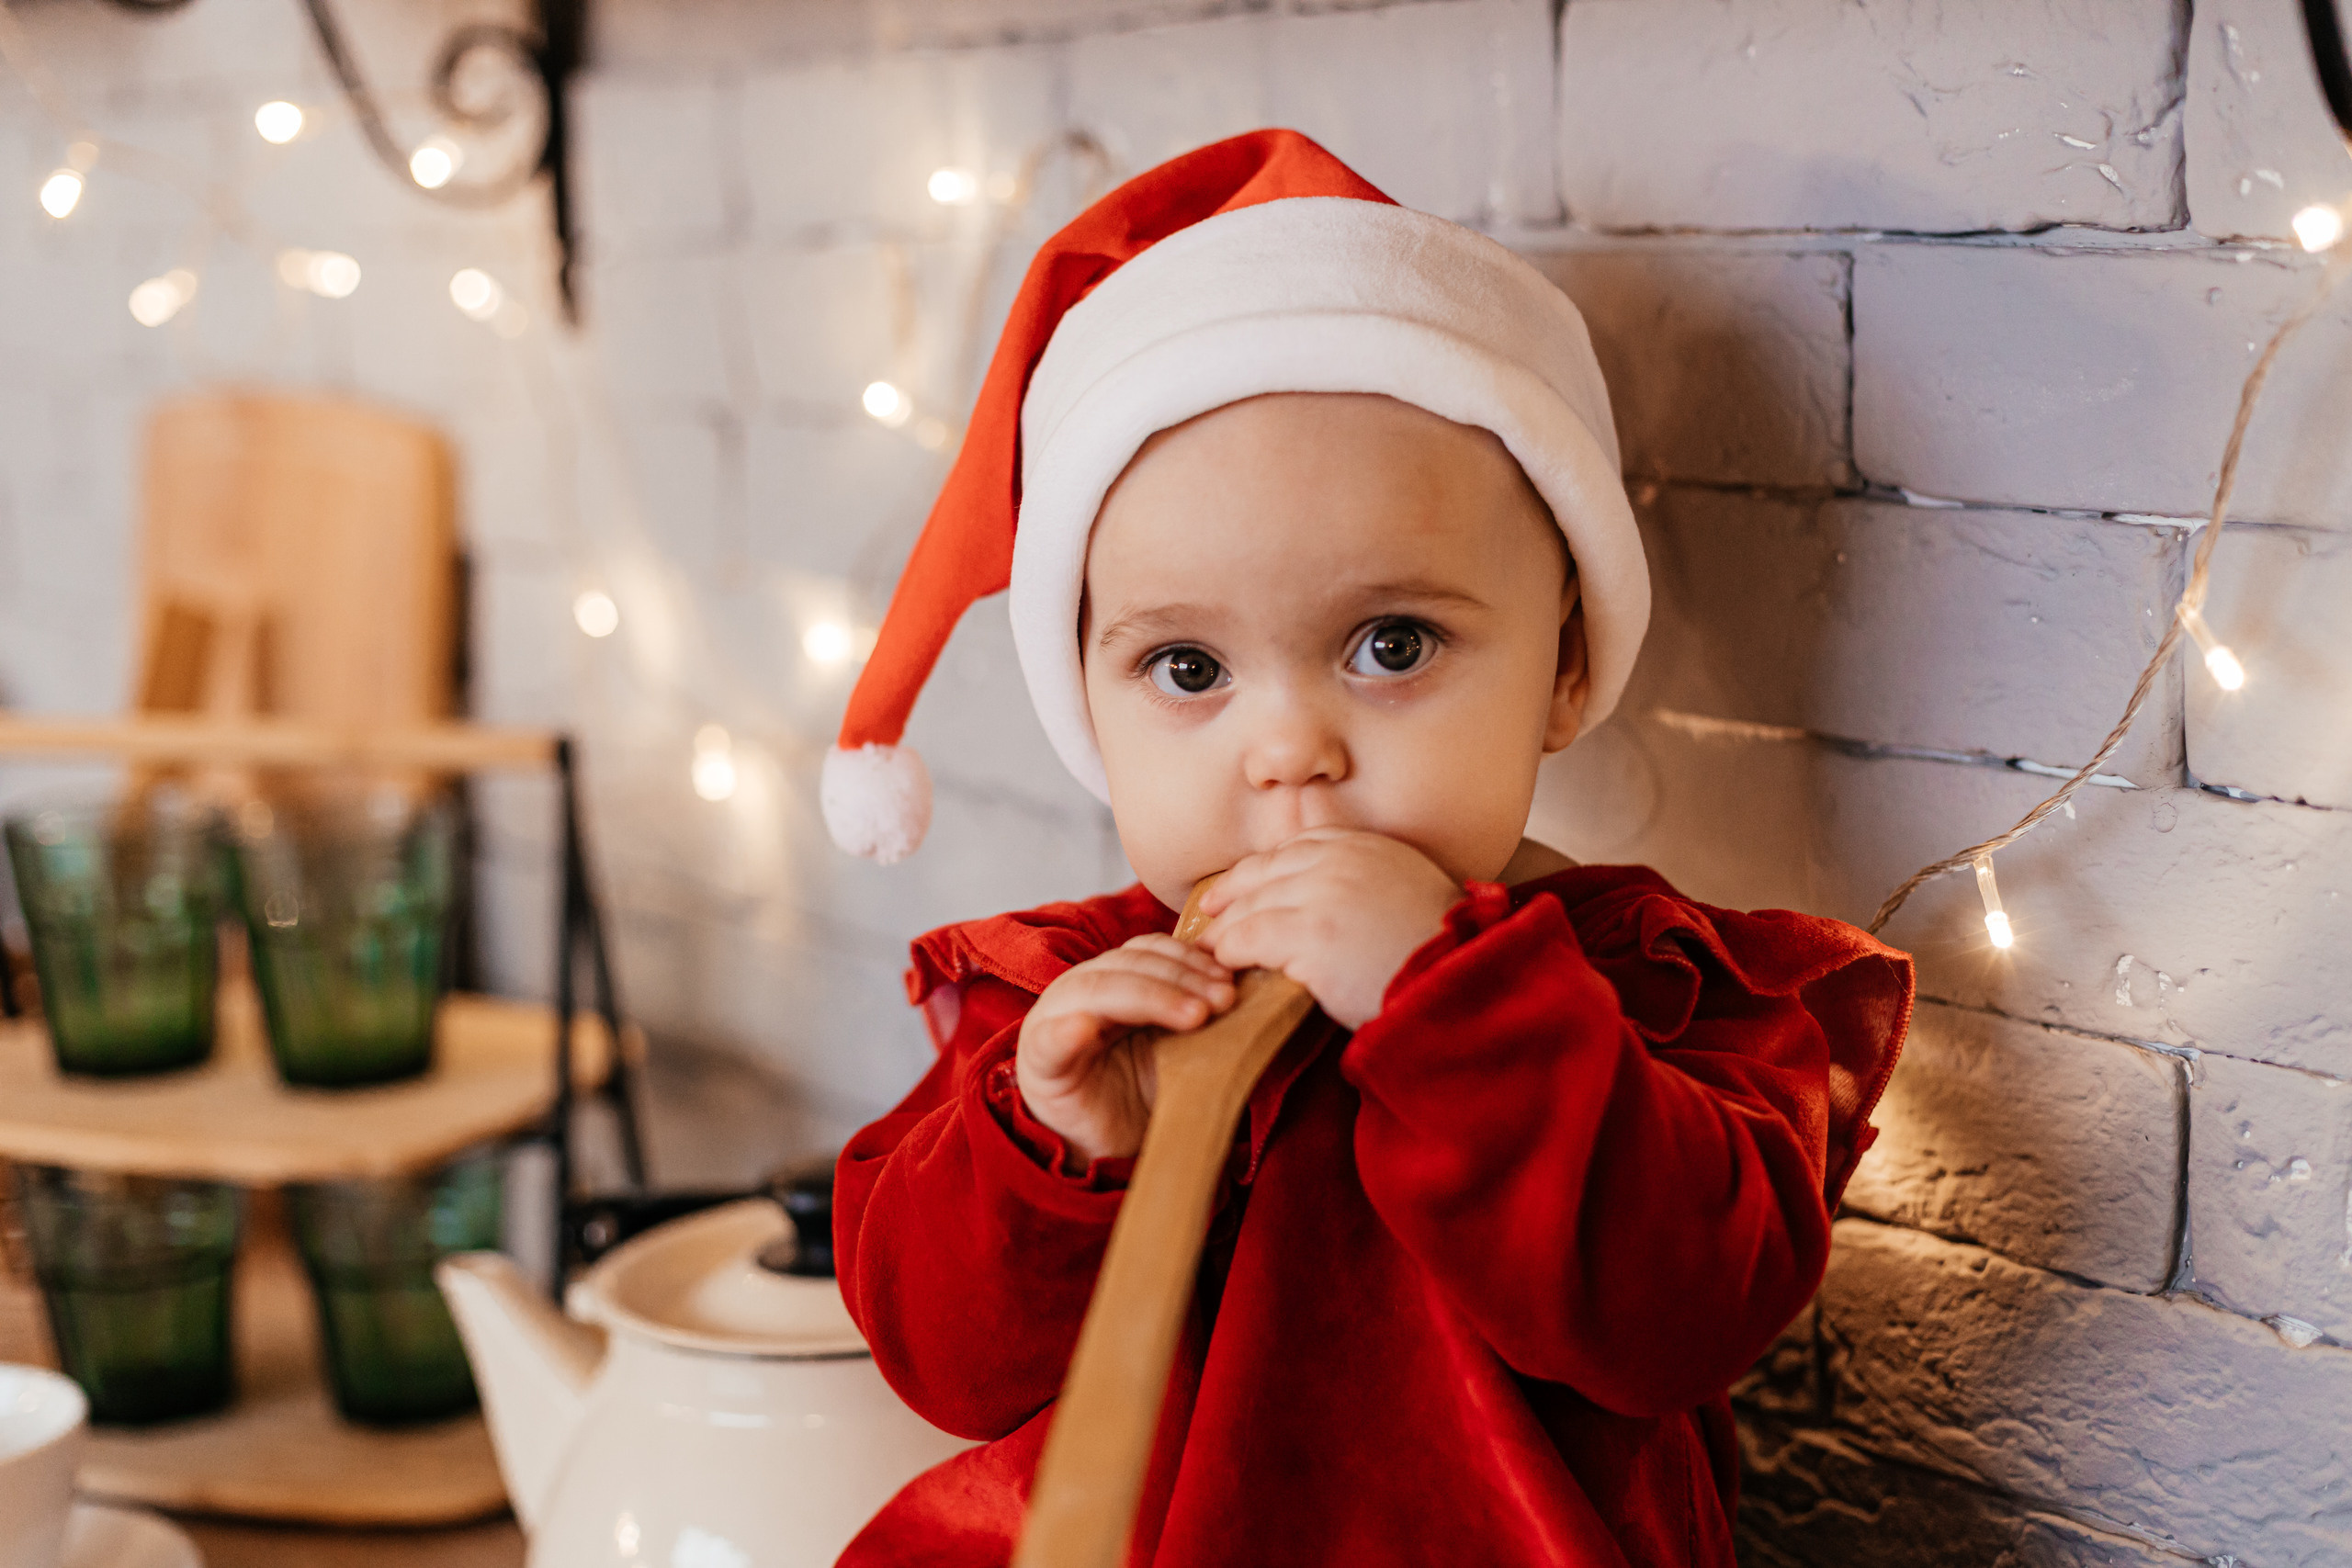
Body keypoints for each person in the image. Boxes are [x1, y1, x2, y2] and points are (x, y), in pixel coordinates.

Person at [818, 130, 1913, 1568]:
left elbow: (1683, 1317)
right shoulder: (1065, 1006)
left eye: (1391, 644)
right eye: (1189, 670)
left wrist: (1447, 995)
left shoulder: (1657, 990)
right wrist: (1053, 1149)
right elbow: (940, 1364)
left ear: (1567, 666)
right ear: (1085, 696)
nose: (1288, 750)